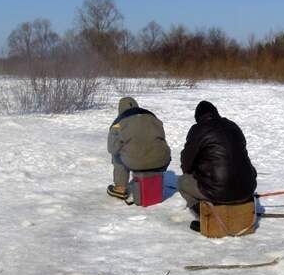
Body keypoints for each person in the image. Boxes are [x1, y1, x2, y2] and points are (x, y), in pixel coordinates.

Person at [179, 101, 257, 230]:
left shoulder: (198, 129)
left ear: (198, 117)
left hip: (217, 190)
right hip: (247, 187)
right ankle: (239, 206)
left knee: (182, 182)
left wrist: (191, 172)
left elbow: (187, 162)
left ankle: (208, 218)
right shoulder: (233, 126)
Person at [107, 97, 171, 199]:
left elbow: (112, 148)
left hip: (137, 162)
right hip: (162, 160)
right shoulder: (152, 117)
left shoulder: (118, 122)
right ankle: (154, 183)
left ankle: (120, 189)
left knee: (116, 155)